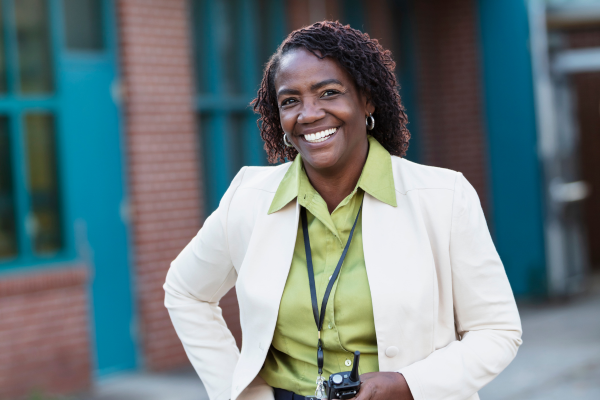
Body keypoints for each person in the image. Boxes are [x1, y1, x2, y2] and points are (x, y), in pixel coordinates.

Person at [164, 21, 522, 400]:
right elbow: (185, 291)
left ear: (366, 100)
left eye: (329, 93)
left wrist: (408, 385)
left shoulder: (444, 197)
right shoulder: (249, 198)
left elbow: (497, 331)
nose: (309, 114)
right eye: (290, 100)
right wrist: (235, 392)